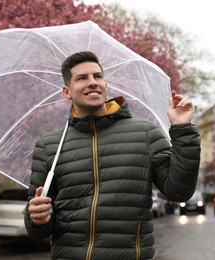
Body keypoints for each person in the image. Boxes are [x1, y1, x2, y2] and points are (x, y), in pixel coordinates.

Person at [24, 51, 200, 260]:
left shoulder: (144, 134)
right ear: (67, 91)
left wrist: (182, 130)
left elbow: (179, 192)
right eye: (82, 78)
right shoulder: (49, 146)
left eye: (97, 76)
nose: (92, 82)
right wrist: (36, 218)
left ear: (105, 85)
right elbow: (38, 228)